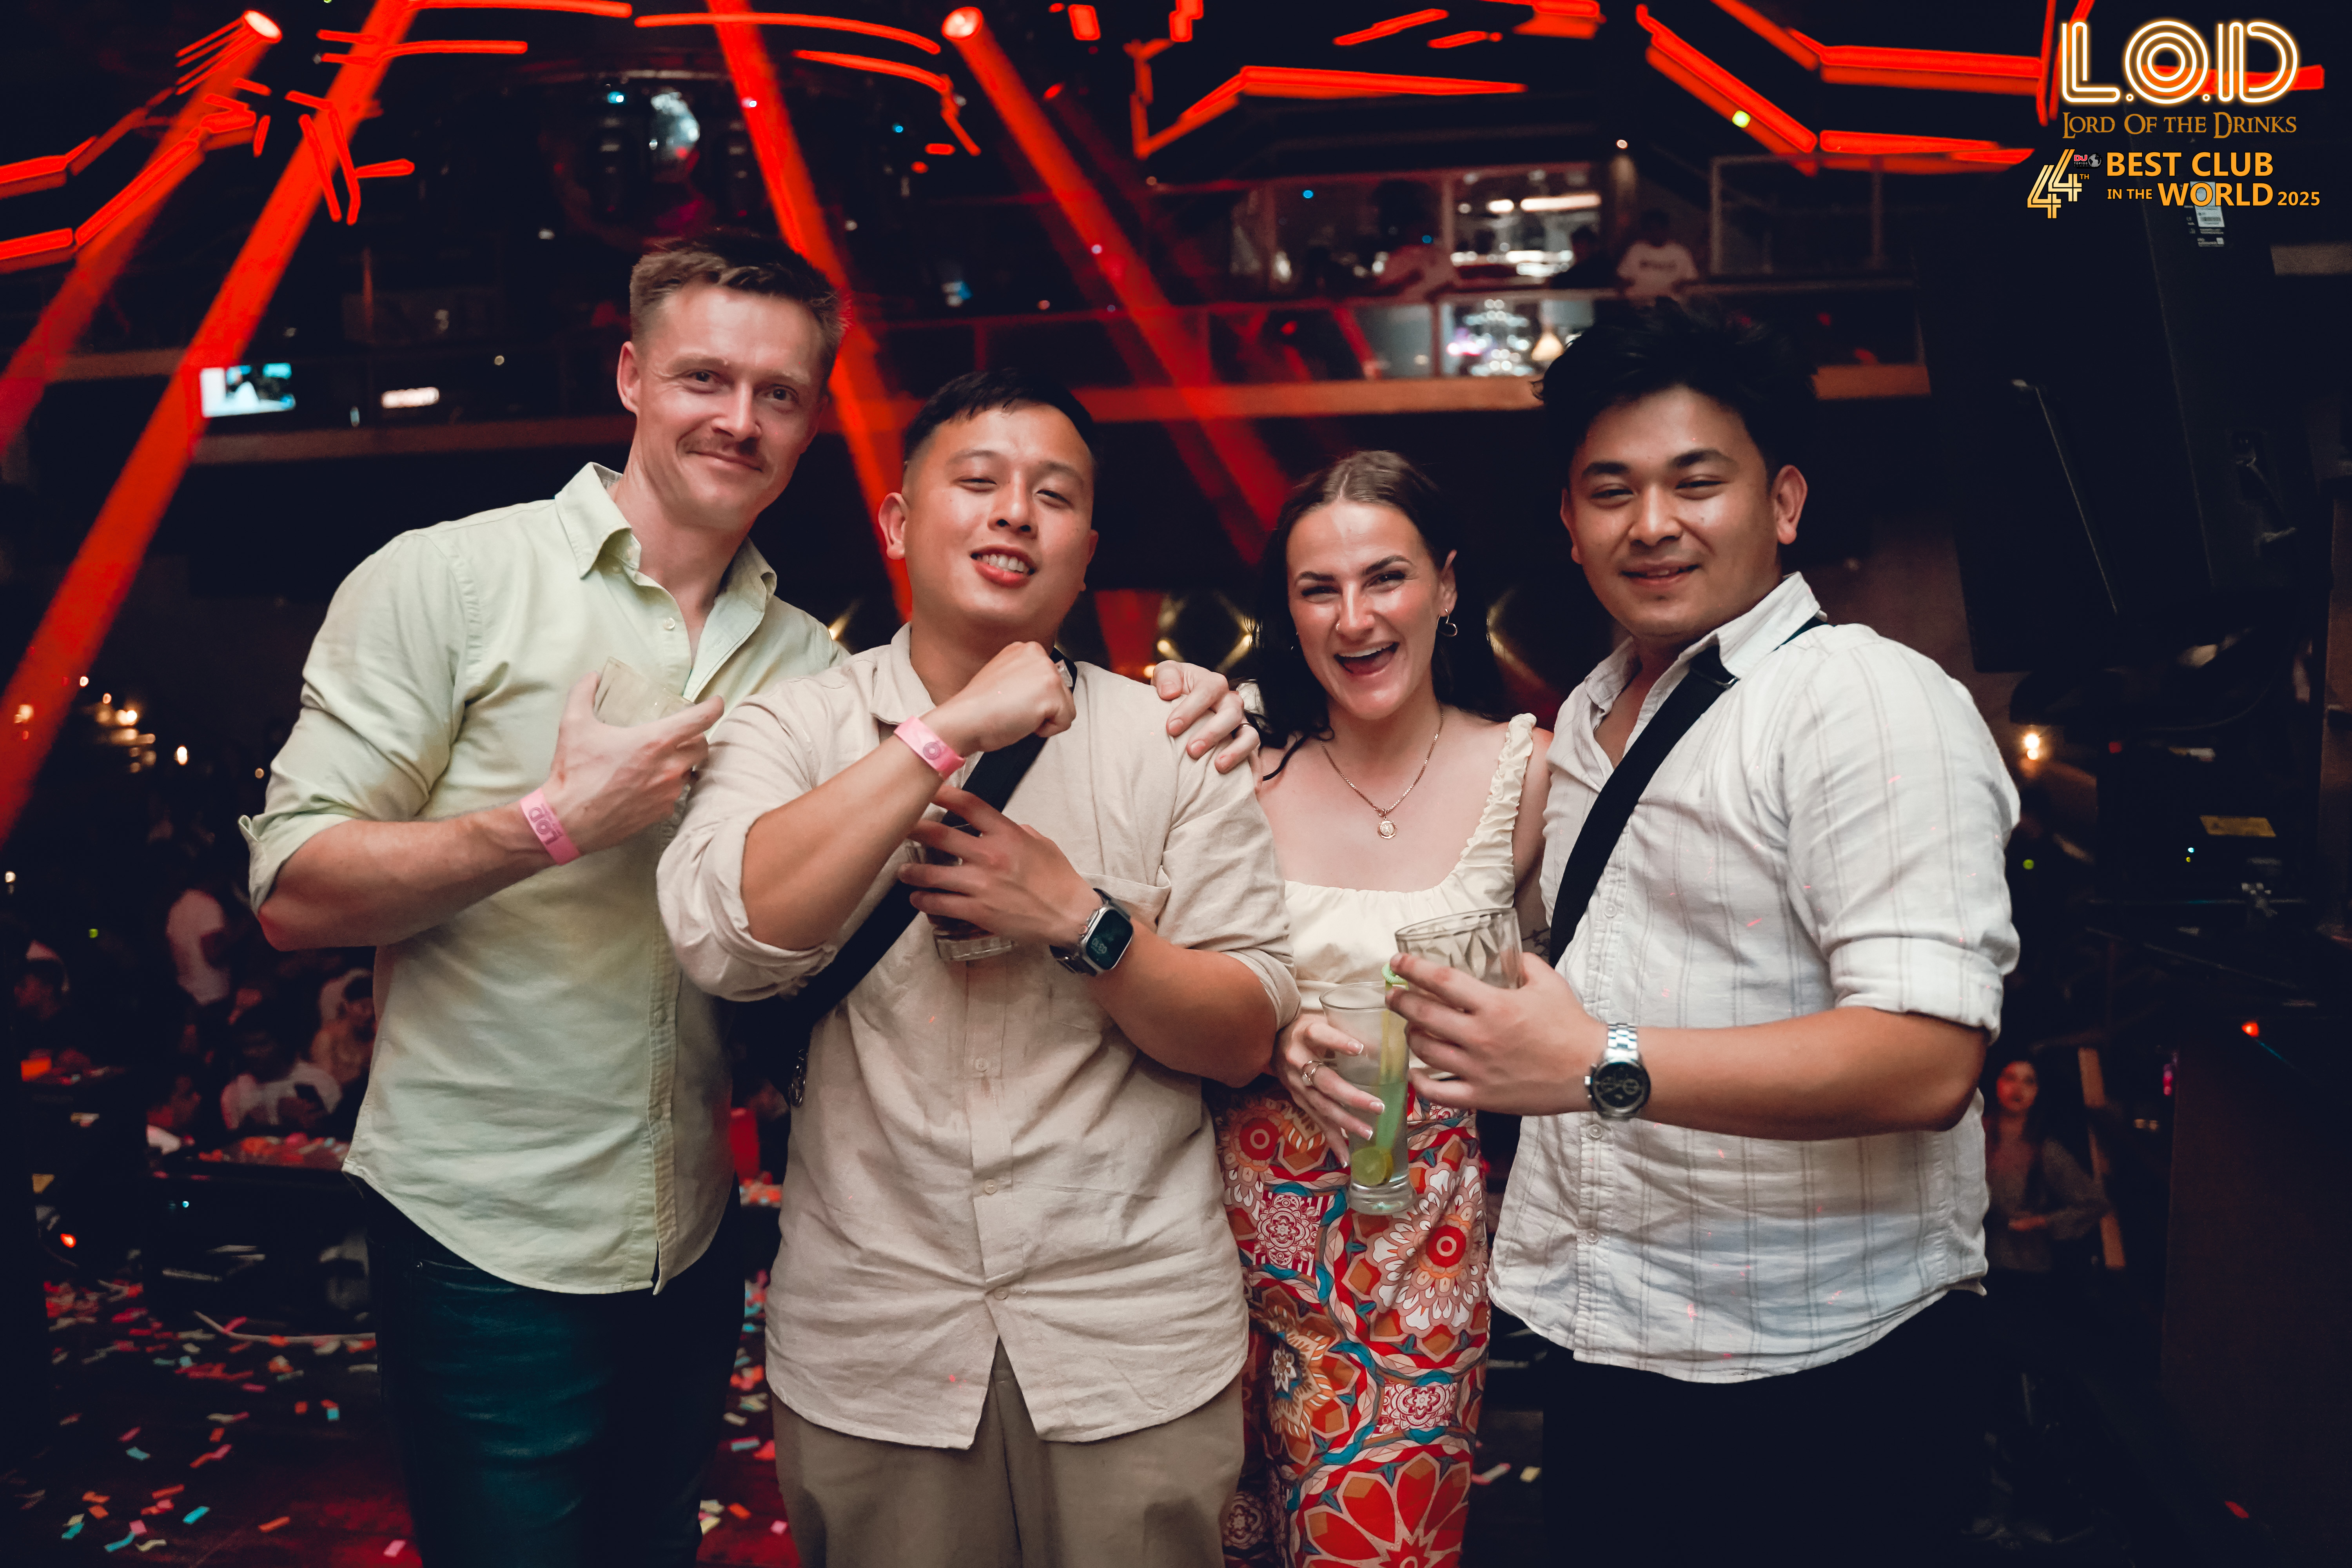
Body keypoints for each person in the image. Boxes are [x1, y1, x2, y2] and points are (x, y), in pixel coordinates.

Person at [243, 234, 1258, 1568]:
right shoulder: (455, 582)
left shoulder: (796, 665)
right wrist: (552, 824)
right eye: (705, 378)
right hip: (488, 1227)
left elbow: (1240, 1005)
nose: (740, 418)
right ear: (631, 376)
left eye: (780, 393)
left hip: (689, 1230)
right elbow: (292, 892)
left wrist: (1188, 703)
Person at [1390, 302, 2021, 1559]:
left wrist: (1596, 1064)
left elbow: (1927, 1059)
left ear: (1782, 501)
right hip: (1611, 1338)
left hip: (1817, 1366)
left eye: (1696, 481)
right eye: (1610, 491)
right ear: (1569, 523)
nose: (1651, 523)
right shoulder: (1588, 716)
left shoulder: (1860, 699)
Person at [658, 367, 1297, 1567]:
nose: (1014, 512)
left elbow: (1243, 1029)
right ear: (899, 522)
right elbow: (722, 936)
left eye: (1053, 494)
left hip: (1128, 1333)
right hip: (877, 1338)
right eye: (979, 482)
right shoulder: (793, 727)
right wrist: (943, 733)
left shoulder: (1172, 741)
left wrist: (1080, 919)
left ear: (1086, 550)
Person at [1213, 452, 1547, 1567]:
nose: (1354, 618)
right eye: (1319, 589)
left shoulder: (1528, 774)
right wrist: (1269, 1034)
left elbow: (1561, 1000)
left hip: (1413, 1247)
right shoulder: (1235, 765)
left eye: (1386, 578)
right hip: (1207, 1238)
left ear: (1447, 585)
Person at [218, 996, 341, 1133]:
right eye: (247, 1046)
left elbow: (336, 1135)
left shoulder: (320, 1082)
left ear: (283, 1044)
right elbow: (237, 1142)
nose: (252, 1053)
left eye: (261, 1044)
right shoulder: (234, 1092)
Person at [1615, 209, 1700, 301]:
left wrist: (1682, 285)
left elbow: (1692, 279)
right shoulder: (1635, 250)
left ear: (1666, 230)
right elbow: (1623, 278)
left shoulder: (1680, 252)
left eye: (1658, 229)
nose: (1655, 233)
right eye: (1651, 229)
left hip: (1672, 303)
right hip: (1640, 303)